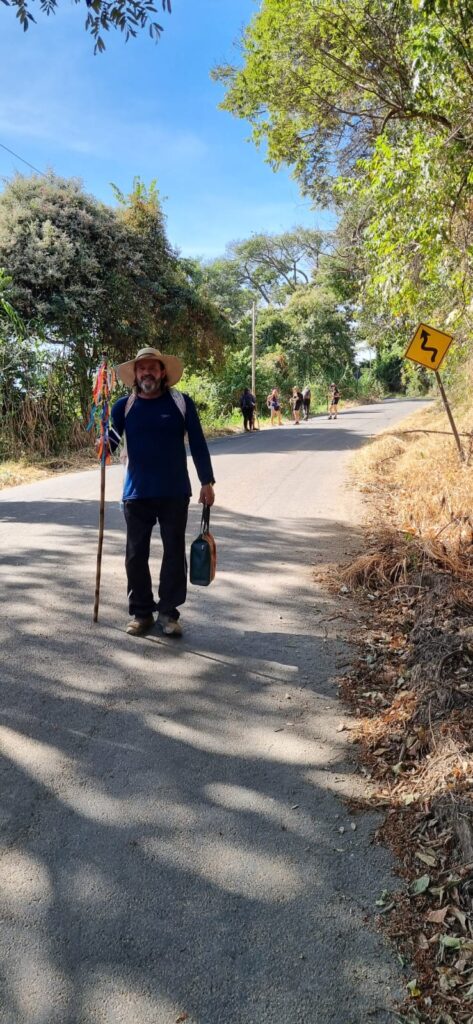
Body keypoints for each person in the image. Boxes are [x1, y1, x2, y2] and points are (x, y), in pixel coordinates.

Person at [109, 347, 215, 637]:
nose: (147, 373)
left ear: (162, 372)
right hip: (136, 493)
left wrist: (207, 482)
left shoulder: (181, 403)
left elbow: (197, 442)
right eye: (142, 368)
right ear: (135, 374)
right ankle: (141, 613)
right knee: (135, 555)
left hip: (174, 491)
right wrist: (101, 444)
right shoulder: (124, 406)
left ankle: (169, 613)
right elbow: (110, 442)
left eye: (152, 368)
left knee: (173, 553)